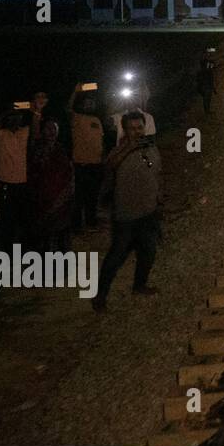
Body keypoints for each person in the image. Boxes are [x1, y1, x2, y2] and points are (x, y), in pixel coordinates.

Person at [93, 110, 163, 311]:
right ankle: (100, 296)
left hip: (148, 210)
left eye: (139, 127)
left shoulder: (150, 147)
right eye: (132, 128)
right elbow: (109, 166)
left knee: (148, 251)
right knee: (116, 256)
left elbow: (158, 172)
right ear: (125, 130)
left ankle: (139, 285)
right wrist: (129, 148)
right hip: (126, 214)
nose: (137, 132)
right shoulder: (118, 150)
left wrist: (159, 196)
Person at [28, 119, 74, 251]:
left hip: (61, 200)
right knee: (43, 236)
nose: (51, 132)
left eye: (54, 129)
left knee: (60, 235)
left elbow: (68, 173)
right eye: (48, 129)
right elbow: (33, 173)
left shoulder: (61, 150)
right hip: (42, 200)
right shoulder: (37, 150)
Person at [70, 86, 107, 233]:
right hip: (81, 164)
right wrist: (76, 91)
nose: (90, 105)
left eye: (92, 103)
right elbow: (68, 107)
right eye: (87, 102)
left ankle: (91, 222)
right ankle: (77, 225)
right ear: (81, 104)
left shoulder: (97, 120)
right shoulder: (76, 118)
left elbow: (100, 141)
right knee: (79, 197)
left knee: (93, 195)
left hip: (96, 164)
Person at [0, 107, 31, 250]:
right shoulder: (0, 134)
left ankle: (21, 248)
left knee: (21, 217)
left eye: (18, 118)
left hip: (21, 182)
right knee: (7, 217)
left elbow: (34, 125)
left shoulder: (23, 133)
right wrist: (6, 113)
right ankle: (6, 248)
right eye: (12, 118)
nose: (16, 121)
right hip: (5, 181)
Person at [197, 48, 218, 115]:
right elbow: (212, 66)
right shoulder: (205, 63)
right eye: (207, 54)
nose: (208, 55)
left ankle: (207, 111)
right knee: (207, 98)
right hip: (205, 83)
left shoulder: (205, 62)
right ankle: (207, 112)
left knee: (207, 98)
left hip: (206, 82)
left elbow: (213, 66)